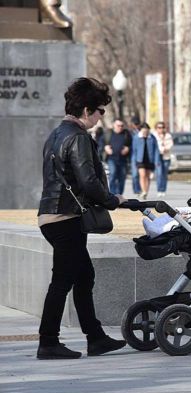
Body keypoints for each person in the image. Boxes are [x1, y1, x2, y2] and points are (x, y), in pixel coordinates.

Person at [36, 77, 127, 359]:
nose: (102, 117)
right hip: (66, 218)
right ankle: (48, 342)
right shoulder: (78, 137)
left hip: (52, 215)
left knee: (83, 275)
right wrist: (114, 200)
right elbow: (88, 181)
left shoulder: (55, 134)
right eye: (100, 111)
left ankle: (95, 337)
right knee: (63, 279)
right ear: (87, 110)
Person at [131, 122, 161, 199]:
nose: (146, 133)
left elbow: (156, 150)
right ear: (141, 130)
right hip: (140, 159)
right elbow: (134, 150)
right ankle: (144, 191)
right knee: (142, 175)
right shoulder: (136, 137)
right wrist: (133, 161)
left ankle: (146, 192)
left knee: (148, 176)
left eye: (147, 131)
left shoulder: (152, 138)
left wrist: (157, 161)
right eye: (144, 131)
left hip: (150, 159)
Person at [103, 119, 131, 195]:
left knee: (122, 178)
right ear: (114, 126)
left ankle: (119, 195)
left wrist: (128, 148)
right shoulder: (108, 134)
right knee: (113, 174)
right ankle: (112, 194)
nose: (120, 127)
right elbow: (100, 143)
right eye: (118, 125)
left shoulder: (126, 134)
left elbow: (131, 145)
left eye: (122, 126)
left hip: (123, 159)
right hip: (111, 159)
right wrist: (105, 148)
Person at [153, 121, 173, 197]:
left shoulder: (168, 136)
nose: (161, 129)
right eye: (159, 127)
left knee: (164, 174)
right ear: (156, 128)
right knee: (159, 173)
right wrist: (161, 149)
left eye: (162, 127)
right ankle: (159, 189)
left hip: (166, 157)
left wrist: (165, 149)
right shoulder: (154, 136)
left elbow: (170, 145)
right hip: (157, 157)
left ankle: (163, 190)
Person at [129, 116, 142, 195]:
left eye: (137, 124)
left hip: (140, 155)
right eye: (135, 124)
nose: (136, 126)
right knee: (134, 174)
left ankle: (139, 189)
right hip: (132, 155)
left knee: (140, 174)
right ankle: (136, 189)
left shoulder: (141, 131)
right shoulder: (129, 132)